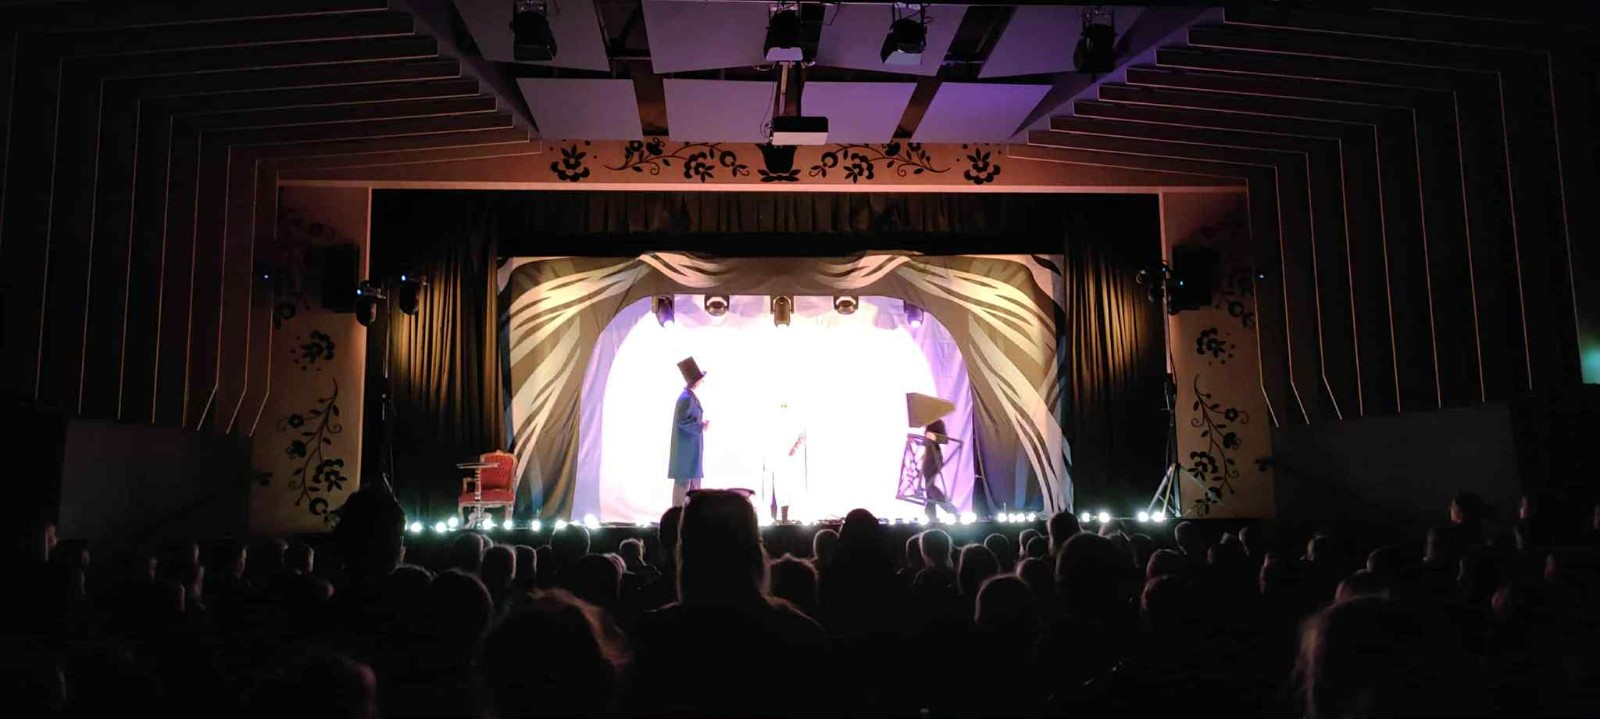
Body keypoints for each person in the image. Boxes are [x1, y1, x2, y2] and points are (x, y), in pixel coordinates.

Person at [668, 357, 708, 507]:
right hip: (686, 453)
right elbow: (682, 422)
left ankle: (690, 514)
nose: (701, 382)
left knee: (692, 487)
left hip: (690, 451)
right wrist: (700, 427)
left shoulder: (689, 397)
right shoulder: (686, 398)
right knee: (682, 488)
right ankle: (678, 515)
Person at [761, 400, 805, 523]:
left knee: (784, 489)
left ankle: (784, 520)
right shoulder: (770, 417)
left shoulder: (794, 418)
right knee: (773, 489)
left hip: (786, 459)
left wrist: (795, 447)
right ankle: (774, 519)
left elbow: (801, 436)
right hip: (773, 457)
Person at [920, 419, 958, 522]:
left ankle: (949, 509)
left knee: (930, 486)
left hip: (934, 457)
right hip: (929, 456)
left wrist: (934, 436)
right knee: (929, 486)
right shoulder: (928, 423)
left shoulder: (937, 422)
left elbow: (944, 440)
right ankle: (931, 514)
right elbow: (926, 443)